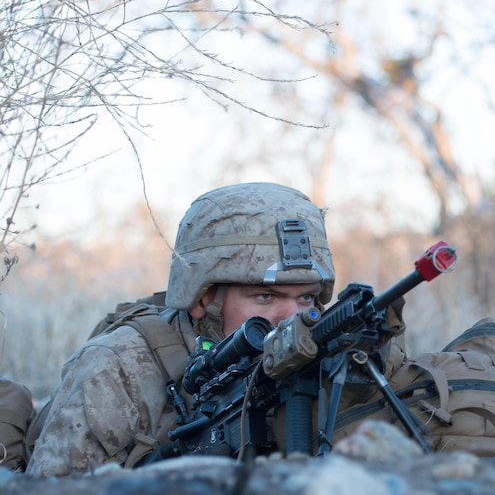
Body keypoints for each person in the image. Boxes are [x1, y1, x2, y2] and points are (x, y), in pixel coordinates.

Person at [26, 182, 337, 477]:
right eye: (266, 297)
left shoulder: (333, 363)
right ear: (203, 300)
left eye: (305, 298)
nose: (292, 319)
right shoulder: (116, 367)